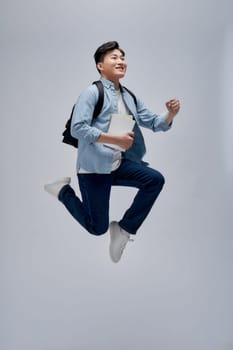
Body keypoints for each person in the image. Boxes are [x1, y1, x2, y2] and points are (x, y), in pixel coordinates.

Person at [44, 41, 180, 263]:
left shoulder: (129, 97)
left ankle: (124, 229)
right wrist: (114, 139)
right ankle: (62, 190)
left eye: (122, 57)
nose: (121, 61)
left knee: (154, 180)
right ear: (100, 65)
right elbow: (78, 128)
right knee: (96, 228)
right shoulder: (91, 93)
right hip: (94, 169)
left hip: (117, 163)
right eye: (114, 58)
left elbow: (155, 123)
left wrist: (170, 114)